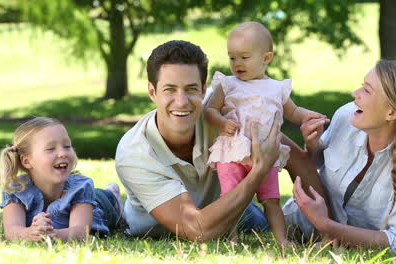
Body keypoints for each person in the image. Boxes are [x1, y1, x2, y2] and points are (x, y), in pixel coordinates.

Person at [115, 40, 286, 241]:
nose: (181, 101)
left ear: (204, 90)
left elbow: (292, 155)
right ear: (152, 92)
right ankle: (110, 200)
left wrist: (323, 222)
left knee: (275, 224)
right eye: (170, 89)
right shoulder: (134, 153)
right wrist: (258, 172)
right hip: (163, 229)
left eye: (191, 89)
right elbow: (197, 230)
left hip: (232, 207)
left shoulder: (222, 115)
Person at [282, 60, 396, 252]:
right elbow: (318, 163)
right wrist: (313, 145)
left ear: (391, 112)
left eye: (367, 90)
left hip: (344, 242)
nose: (354, 94)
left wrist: (327, 226)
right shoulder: (348, 115)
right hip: (295, 220)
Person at [204, 21, 325, 246]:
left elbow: (294, 111)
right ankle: (231, 238)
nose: (237, 63)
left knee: (271, 200)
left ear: (266, 58)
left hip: (266, 155)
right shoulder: (227, 84)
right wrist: (221, 123)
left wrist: (308, 116)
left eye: (244, 57)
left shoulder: (276, 88)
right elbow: (209, 110)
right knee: (231, 198)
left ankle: (282, 240)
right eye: (232, 58)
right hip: (233, 153)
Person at [0, 117, 125, 241]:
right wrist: (31, 233)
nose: (62, 153)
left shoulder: (81, 187)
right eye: (51, 149)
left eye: (67, 146)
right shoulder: (16, 189)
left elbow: (81, 233)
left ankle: (112, 196)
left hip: (99, 205)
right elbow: (12, 231)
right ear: (26, 161)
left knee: (102, 200)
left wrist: (51, 234)